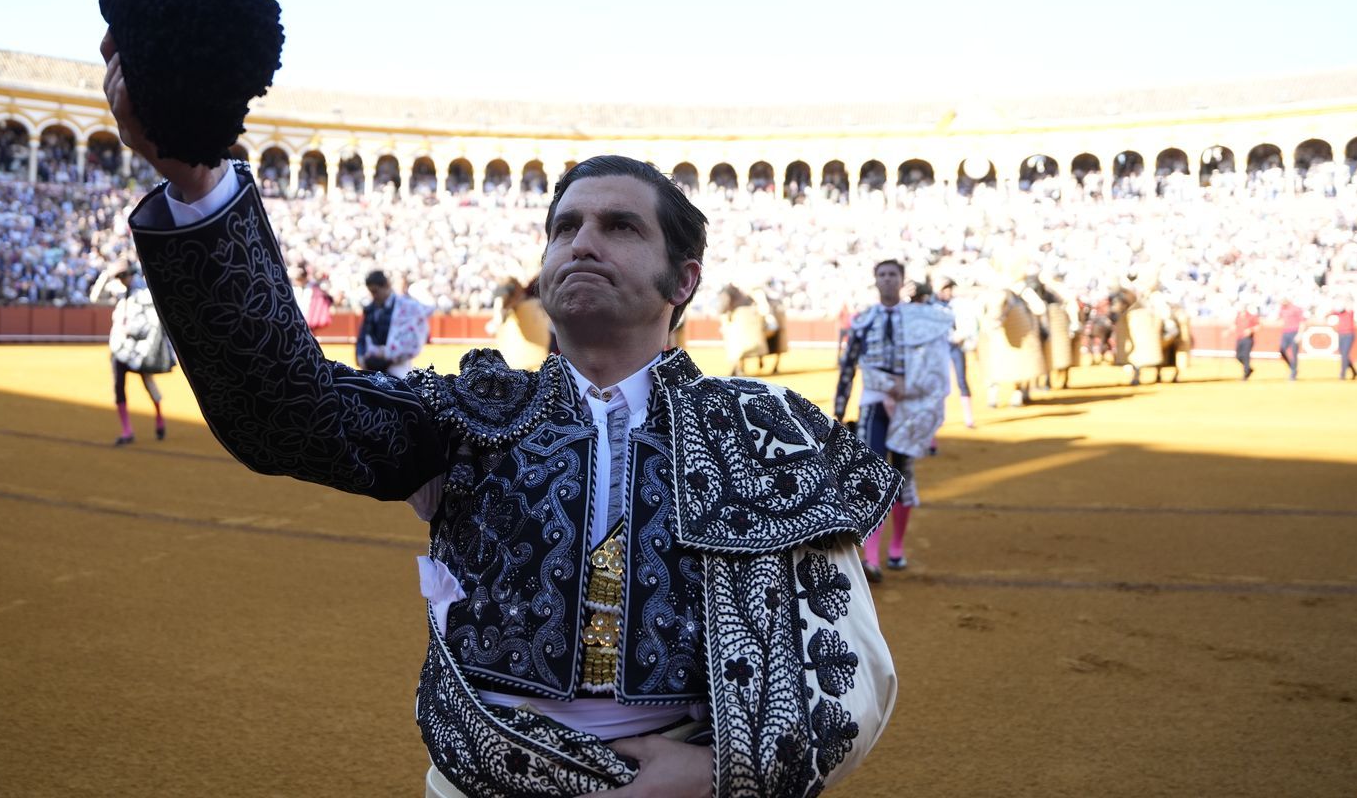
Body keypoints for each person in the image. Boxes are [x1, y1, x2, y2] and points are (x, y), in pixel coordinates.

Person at [108, 54, 902, 797]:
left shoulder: (768, 430)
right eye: (565, 228)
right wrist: (199, 184)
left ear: (683, 279)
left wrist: (713, 773)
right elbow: (281, 410)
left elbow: (848, 665)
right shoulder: (469, 415)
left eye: (620, 227)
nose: (582, 242)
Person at [833, 260, 952, 582]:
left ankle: (896, 547)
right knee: (874, 477)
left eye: (892, 275)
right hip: (873, 402)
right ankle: (871, 557)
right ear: (876, 280)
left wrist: (909, 389)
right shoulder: (864, 321)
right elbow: (848, 368)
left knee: (903, 475)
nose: (887, 280)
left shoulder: (919, 320)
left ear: (901, 281)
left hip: (908, 404)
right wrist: (839, 411)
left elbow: (933, 363)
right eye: (882, 275)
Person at [89, 260, 174, 445]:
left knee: (148, 383)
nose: (122, 280)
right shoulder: (118, 291)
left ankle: (159, 419)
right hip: (119, 347)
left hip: (138, 349)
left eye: (123, 275)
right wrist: (106, 275)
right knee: (118, 386)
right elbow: (95, 299)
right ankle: (127, 431)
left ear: (131, 273)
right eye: (118, 277)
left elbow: (154, 321)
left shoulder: (144, 292)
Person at [356, 268, 432, 377]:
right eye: (371, 292)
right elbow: (363, 335)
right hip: (372, 365)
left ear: (386, 286)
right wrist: (361, 357)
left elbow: (410, 339)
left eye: (376, 291)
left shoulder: (405, 307)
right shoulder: (370, 309)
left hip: (398, 366)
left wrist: (389, 356)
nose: (374, 296)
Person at [933, 280, 977, 428]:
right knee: (940, 383)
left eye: (949, 288)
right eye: (944, 289)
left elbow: (969, 324)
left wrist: (962, 335)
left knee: (962, 380)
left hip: (955, 345)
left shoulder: (959, 305)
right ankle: (940, 416)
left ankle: (968, 418)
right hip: (940, 348)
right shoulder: (932, 306)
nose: (948, 292)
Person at [1327, 302, 1357, 380]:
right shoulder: (1339, 313)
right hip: (1341, 334)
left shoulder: (1349, 312)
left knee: (1344, 355)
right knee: (1344, 355)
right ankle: (1354, 371)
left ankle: (1342, 374)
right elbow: (1328, 314)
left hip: (1349, 335)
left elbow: (1351, 307)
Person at [1277, 298, 1305, 381]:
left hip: (1294, 332)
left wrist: (1300, 334)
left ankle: (1293, 372)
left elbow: (1302, 322)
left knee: (1294, 353)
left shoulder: (1296, 309)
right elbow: (1280, 319)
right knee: (1282, 350)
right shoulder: (1282, 308)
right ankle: (1293, 367)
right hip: (1286, 332)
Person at [1231, 305, 1260, 381]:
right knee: (1238, 356)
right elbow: (1235, 325)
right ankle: (1248, 369)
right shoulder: (1238, 316)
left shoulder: (1251, 316)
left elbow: (1258, 326)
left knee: (1246, 356)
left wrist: (1250, 330)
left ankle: (1246, 373)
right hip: (1239, 338)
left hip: (1248, 339)